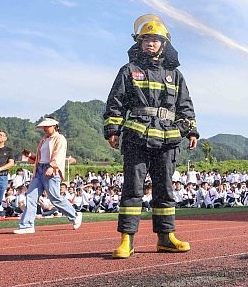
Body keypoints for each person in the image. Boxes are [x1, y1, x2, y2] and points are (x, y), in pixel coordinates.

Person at [103, 14, 198, 258]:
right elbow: (115, 102)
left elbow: (184, 105)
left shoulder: (175, 75)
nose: (150, 44)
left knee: (165, 189)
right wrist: (112, 129)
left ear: (164, 44)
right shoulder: (129, 71)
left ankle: (166, 237)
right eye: (146, 39)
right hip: (136, 137)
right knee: (132, 189)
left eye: (155, 40)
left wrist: (192, 131)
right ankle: (127, 240)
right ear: (138, 43)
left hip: (168, 139)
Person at [14, 118, 83, 234]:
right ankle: (27, 225)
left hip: (50, 169)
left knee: (54, 198)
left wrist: (52, 166)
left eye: (47, 127)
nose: (45, 129)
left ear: (54, 126)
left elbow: (59, 155)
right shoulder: (44, 139)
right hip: (40, 169)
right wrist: (30, 155)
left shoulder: (60, 139)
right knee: (30, 196)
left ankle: (74, 215)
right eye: (44, 127)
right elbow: (41, 157)